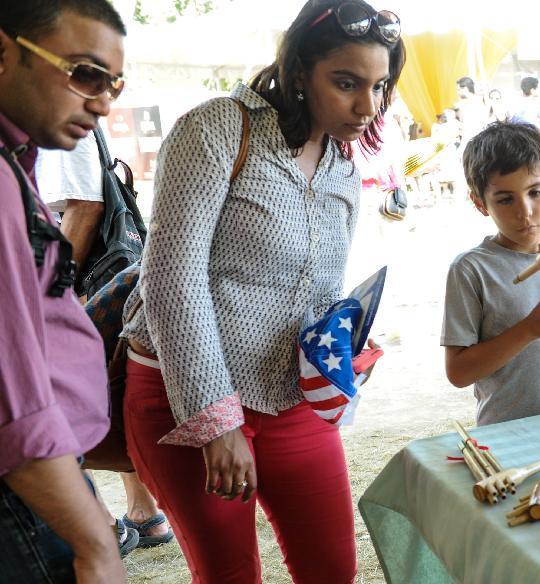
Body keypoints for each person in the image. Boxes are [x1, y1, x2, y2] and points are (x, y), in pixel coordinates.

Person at [119, 1, 405, 582]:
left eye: (379, 86)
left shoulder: (344, 164)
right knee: (229, 575)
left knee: (333, 569)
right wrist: (215, 421)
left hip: (289, 398)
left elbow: (315, 293)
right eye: (347, 83)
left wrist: (339, 351)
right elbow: (172, 278)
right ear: (299, 70)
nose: (366, 106)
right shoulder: (217, 129)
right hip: (184, 398)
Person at [0, 1, 127, 582]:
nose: (102, 101)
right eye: (84, 72)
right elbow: (13, 410)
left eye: (112, 83)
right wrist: (95, 541)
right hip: (23, 495)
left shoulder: (16, 163)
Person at [36, 129, 173, 554]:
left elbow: (86, 206)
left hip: (77, 280)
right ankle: (142, 512)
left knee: (64, 399)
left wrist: (50, 294)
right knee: (106, 389)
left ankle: (100, 523)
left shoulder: (57, 123)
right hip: (83, 277)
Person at [442, 122, 540, 426]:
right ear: (480, 203)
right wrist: (531, 328)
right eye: (505, 199)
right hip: (507, 428)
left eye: (535, 192)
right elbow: (458, 373)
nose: (525, 211)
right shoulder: (471, 269)